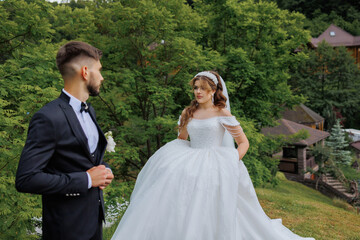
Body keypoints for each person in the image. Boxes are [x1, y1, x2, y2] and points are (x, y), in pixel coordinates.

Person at [110, 71, 314, 240]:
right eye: (195, 87)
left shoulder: (222, 113)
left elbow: (243, 143)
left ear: (213, 91)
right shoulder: (187, 112)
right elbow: (182, 140)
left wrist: (232, 160)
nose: (198, 92)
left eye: (202, 88)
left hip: (216, 162)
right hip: (190, 158)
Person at [15, 41, 114, 240]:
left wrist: (104, 170)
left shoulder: (90, 110)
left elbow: (85, 157)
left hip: (93, 222)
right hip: (65, 229)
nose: (102, 77)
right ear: (85, 72)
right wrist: (86, 180)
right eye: (99, 70)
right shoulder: (48, 117)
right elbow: (26, 179)